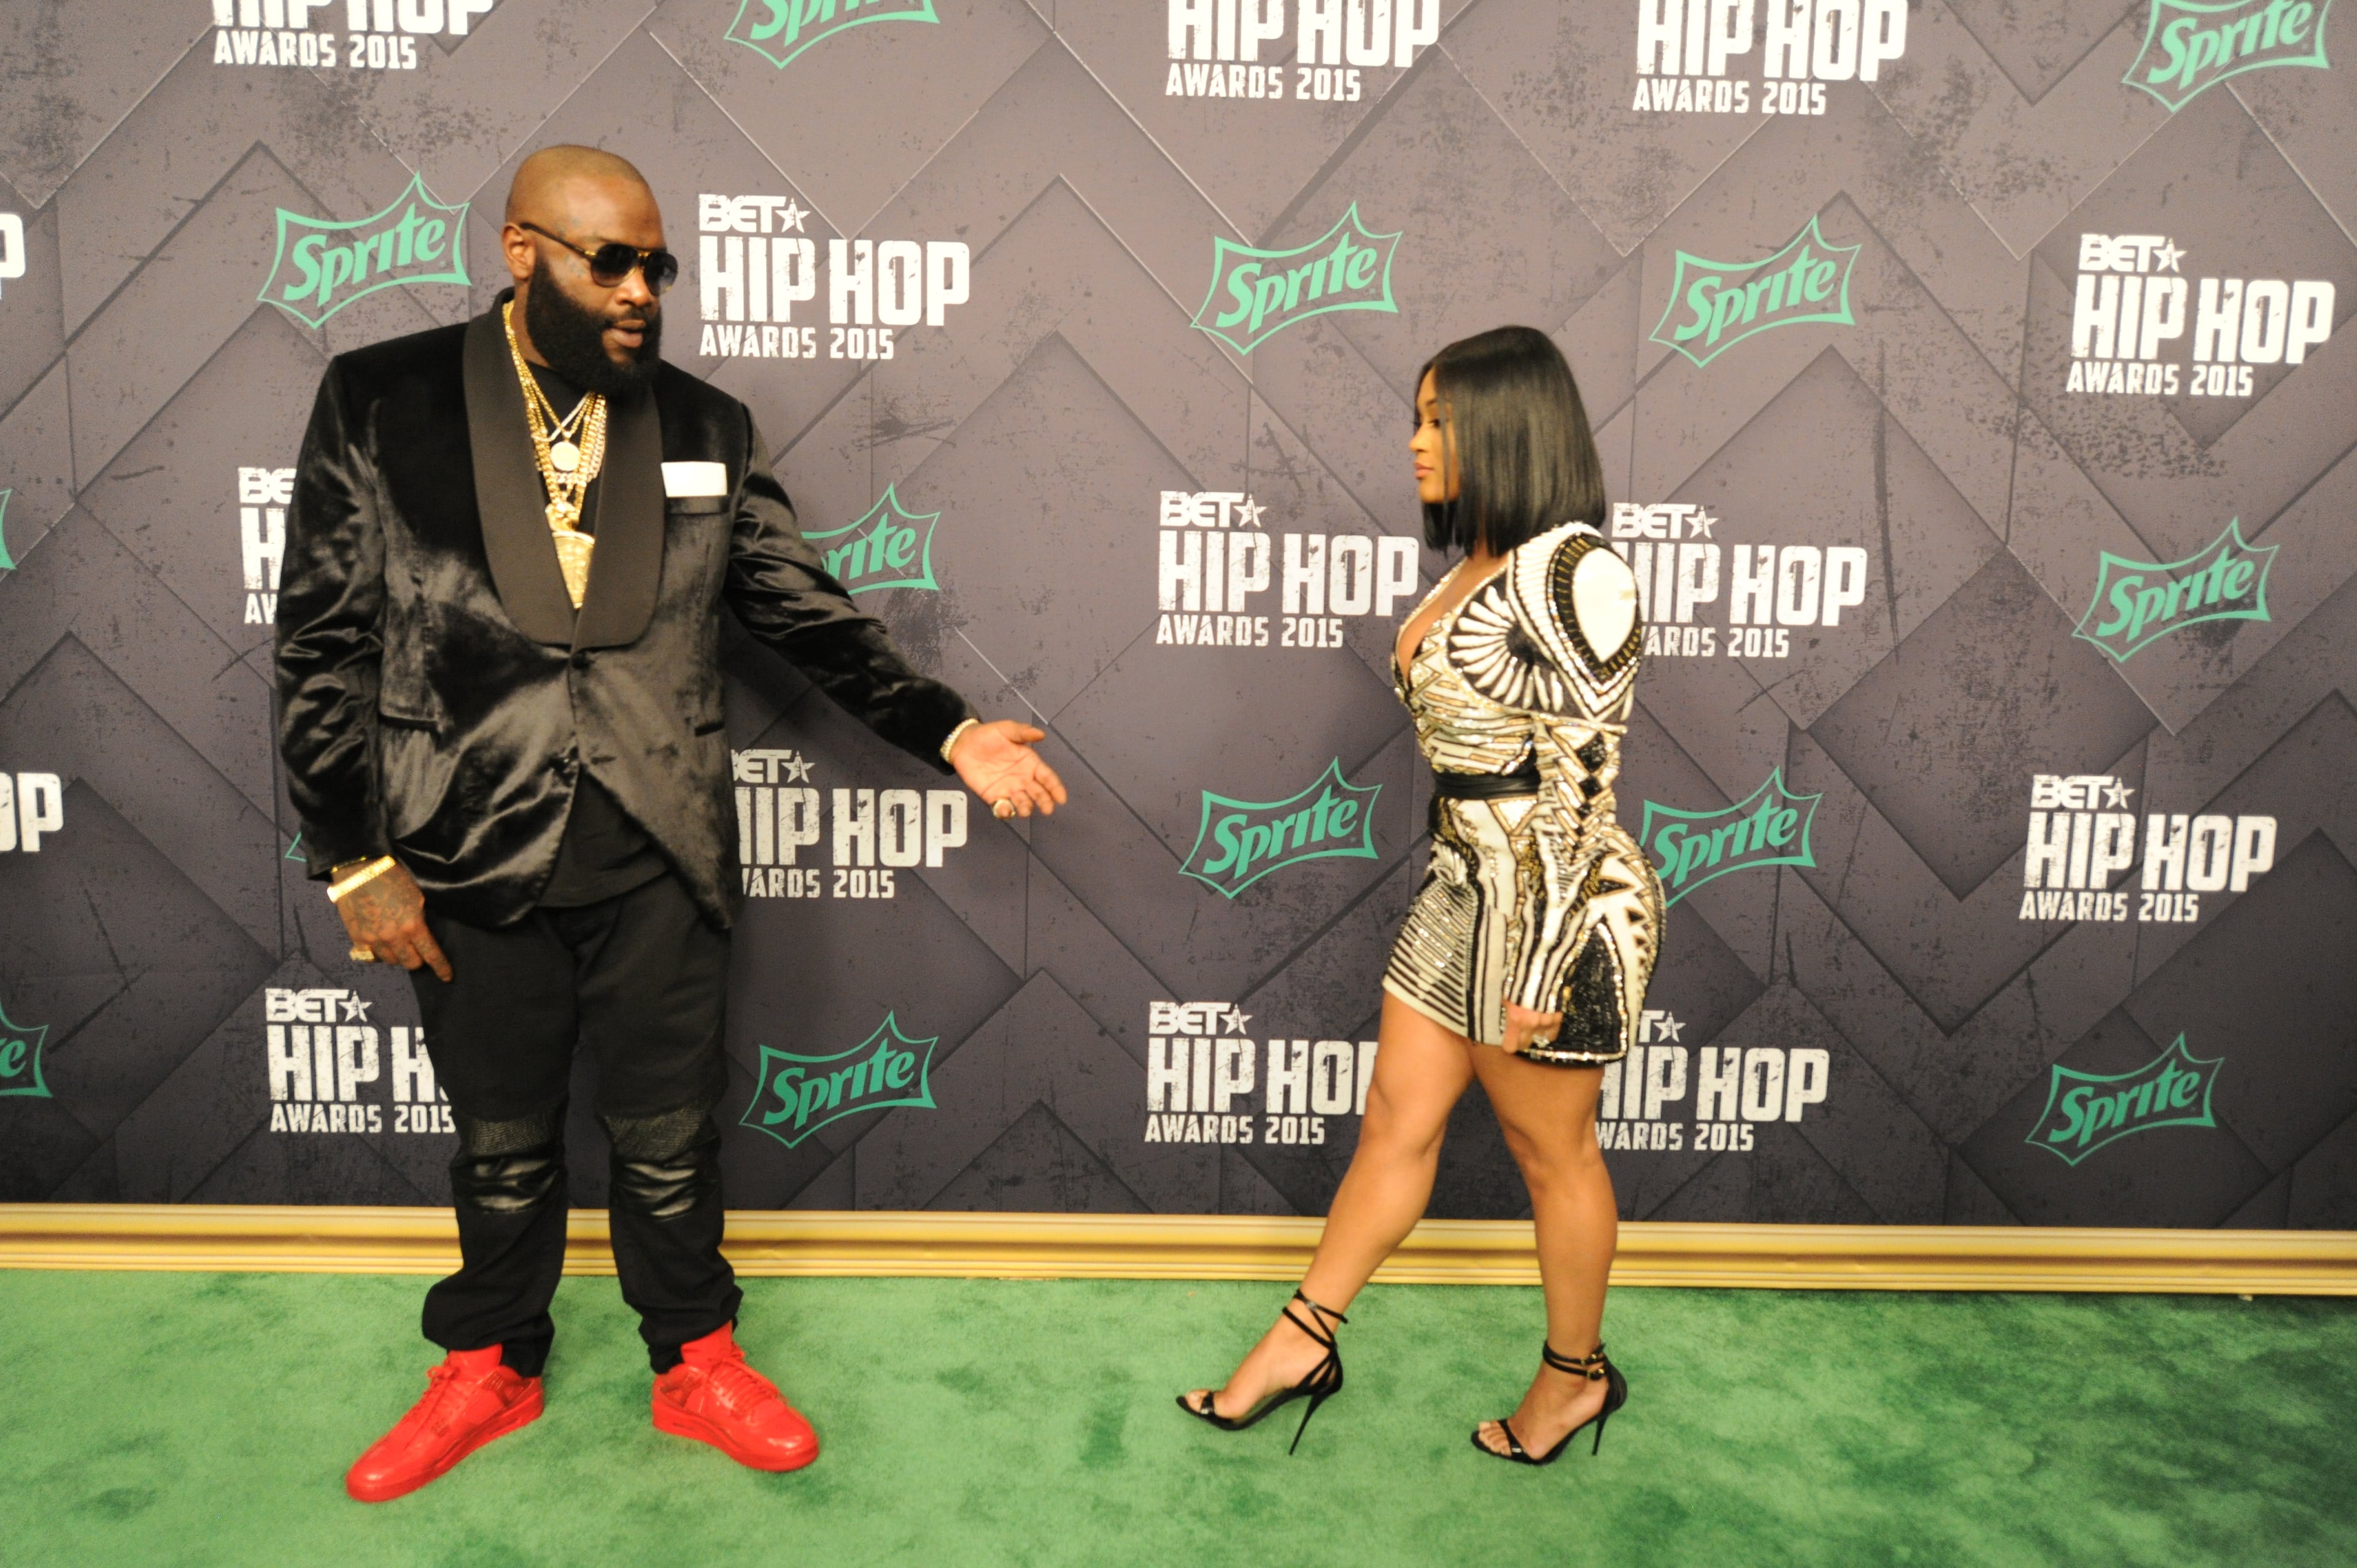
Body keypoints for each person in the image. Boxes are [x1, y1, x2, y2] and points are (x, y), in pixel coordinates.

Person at [276, 145, 1066, 1503]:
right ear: (523, 252)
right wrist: (356, 859)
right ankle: (489, 1364)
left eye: (660, 265)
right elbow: (322, 643)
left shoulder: (703, 423)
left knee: (668, 1138)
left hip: (659, 848)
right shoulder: (382, 397)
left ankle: (697, 1358)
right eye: (612, 262)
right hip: (464, 849)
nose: (644, 289)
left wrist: (945, 729)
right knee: (502, 1143)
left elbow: (800, 611)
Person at [1178, 326, 1662, 1465]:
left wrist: (1540, 963)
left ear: (1509, 425)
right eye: (1417, 416)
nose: (1416, 442)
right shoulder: (1478, 564)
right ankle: (1303, 1340)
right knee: (1396, 1121)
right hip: (1459, 884)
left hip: (1551, 904)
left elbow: (1585, 787)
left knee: (1556, 1157)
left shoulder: (1575, 568)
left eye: (1440, 420)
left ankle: (1574, 1381)